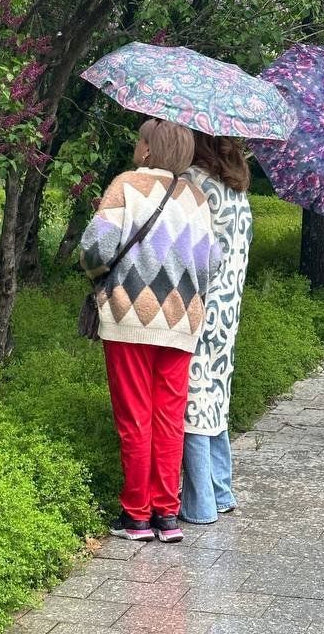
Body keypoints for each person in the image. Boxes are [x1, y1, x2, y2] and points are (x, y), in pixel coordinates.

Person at [80, 118, 219, 544]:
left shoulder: (126, 186)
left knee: (134, 416)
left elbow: (94, 249)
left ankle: (136, 515)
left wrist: (100, 274)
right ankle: (168, 515)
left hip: (130, 320)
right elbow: (211, 264)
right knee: (170, 417)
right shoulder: (196, 198)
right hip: (181, 325)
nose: (137, 146)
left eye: (140, 140)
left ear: (147, 150)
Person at [180, 134, 253, 524]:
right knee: (215, 395)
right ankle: (222, 489)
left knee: (192, 397)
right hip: (228, 308)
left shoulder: (193, 182)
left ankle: (200, 503)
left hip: (200, 304)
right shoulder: (236, 186)